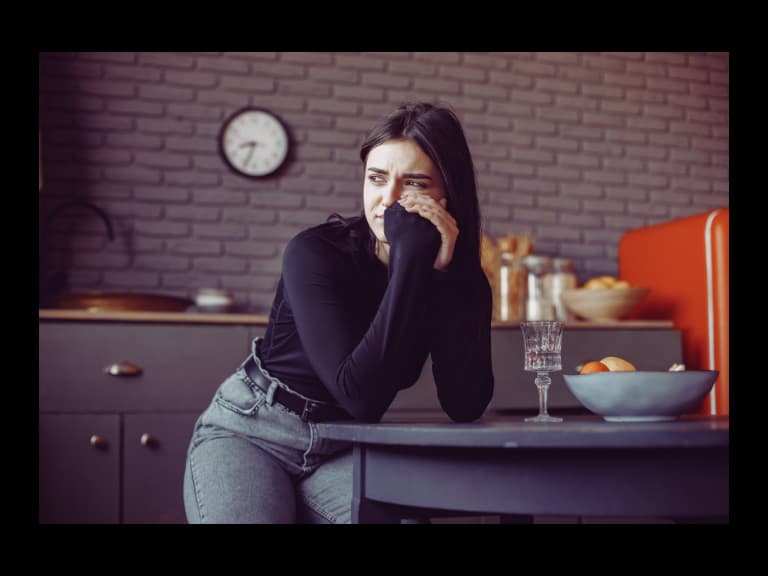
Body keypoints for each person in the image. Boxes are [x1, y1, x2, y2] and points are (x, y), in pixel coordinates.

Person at [183, 102, 494, 524]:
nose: (388, 200)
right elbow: (360, 395)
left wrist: (442, 278)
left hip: (344, 447)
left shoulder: (461, 281)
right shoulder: (315, 253)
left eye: (414, 183)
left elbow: (464, 403)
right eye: (377, 178)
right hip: (252, 432)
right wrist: (410, 261)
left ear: (447, 195)